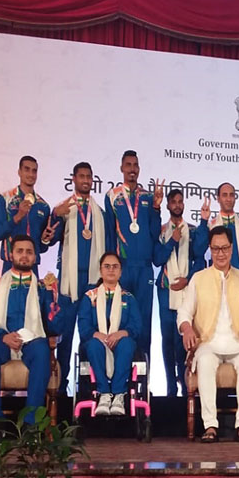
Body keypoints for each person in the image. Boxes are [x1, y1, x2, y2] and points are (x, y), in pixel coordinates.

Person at [177, 226, 239, 442]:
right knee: (206, 361)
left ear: (232, 248)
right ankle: (210, 426)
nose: (220, 253)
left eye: (224, 248)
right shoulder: (198, 278)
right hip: (208, 342)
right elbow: (184, 311)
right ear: (210, 249)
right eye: (215, 249)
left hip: (237, 342)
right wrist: (187, 328)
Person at [0, 235, 70, 441]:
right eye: (20, 251)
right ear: (11, 254)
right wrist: (2, 337)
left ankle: (31, 424)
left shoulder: (42, 287)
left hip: (32, 340)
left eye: (29, 252)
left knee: (42, 350)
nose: (24, 256)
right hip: (3, 340)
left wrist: (54, 301)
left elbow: (54, 327)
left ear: (35, 257)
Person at [42, 161, 106, 395]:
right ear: (74, 179)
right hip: (69, 283)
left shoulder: (100, 213)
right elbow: (48, 239)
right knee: (66, 335)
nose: (86, 181)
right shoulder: (63, 209)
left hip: (92, 282)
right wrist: (53, 217)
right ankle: (61, 384)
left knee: (91, 333)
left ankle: (89, 386)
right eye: (81, 177)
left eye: (89, 177)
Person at [104, 150, 163, 356]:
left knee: (144, 319)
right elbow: (110, 234)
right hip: (123, 267)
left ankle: (144, 377)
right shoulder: (112, 196)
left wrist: (156, 208)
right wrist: (111, 268)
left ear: (139, 169)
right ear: (121, 168)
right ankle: (121, 372)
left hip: (145, 268)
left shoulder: (147, 196)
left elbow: (155, 232)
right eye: (128, 165)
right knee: (120, 318)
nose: (132, 169)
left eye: (135, 165)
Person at [154, 189, 206, 396]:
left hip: (187, 290)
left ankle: (186, 384)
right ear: (167, 206)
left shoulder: (192, 231)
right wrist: (172, 241)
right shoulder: (161, 231)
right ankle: (169, 385)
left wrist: (187, 279)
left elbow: (200, 257)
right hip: (166, 290)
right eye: (173, 202)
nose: (177, 205)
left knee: (184, 340)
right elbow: (157, 259)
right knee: (167, 339)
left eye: (180, 202)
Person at [78, 253, 141, 417]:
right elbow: (84, 326)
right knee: (93, 344)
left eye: (115, 267)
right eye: (107, 266)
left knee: (127, 343)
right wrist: (97, 334)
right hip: (96, 342)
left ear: (121, 272)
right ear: (100, 270)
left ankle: (119, 395)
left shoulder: (129, 298)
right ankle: (104, 393)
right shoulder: (89, 297)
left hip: (120, 343)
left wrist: (121, 333)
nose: (111, 270)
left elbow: (136, 325)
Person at [0, 156, 51, 273]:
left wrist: (45, 240)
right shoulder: (5, 199)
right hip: (10, 265)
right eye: (27, 169)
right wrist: (17, 217)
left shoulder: (43, 206)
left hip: (33, 267)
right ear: (19, 172)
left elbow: (42, 248)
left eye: (34, 171)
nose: (31, 174)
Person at [195, 182, 239, 282]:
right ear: (218, 199)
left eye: (231, 195)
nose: (228, 199)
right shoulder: (211, 225)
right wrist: (204, 221)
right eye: (224, 195)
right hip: (217, 281)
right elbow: (198, 250)